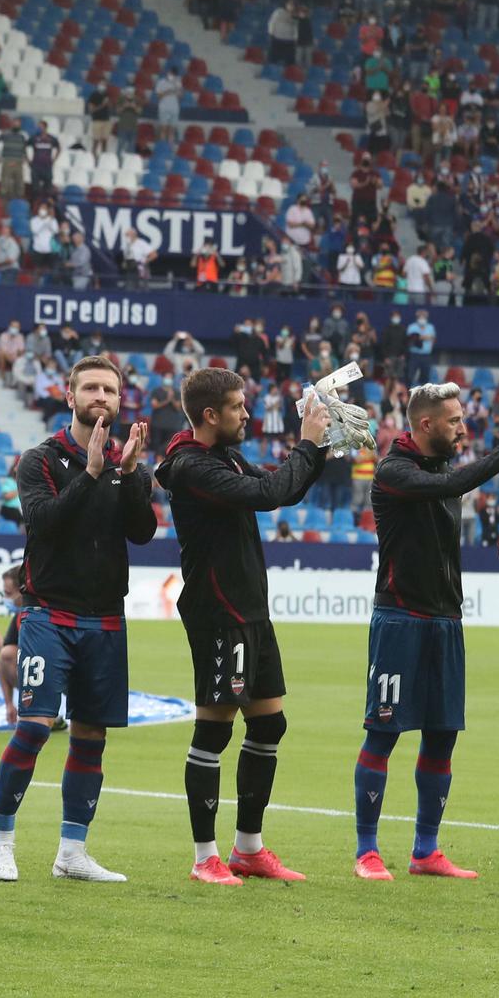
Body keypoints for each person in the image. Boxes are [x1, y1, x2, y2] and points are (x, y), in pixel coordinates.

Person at [357, 383, 499, 881]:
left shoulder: (441, 467)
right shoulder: (394, 471)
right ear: (425, 425)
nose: (463, 428)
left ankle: (426, 851)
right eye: (453, 421)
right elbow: (452, 487)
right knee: (383, 734)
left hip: (446, 622)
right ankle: (367, 852)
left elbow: (452, 481)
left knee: (442, 736)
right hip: (400, 619)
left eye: (462, 419)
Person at [154, 366, 330, 885]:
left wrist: (320, 449)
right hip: (219, 613)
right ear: (211, 415)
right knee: (214, 728)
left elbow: (282, 487)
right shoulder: (190, 467)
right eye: (238, 406)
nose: (248, 414)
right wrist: (308, 445)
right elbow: (271, 493)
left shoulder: (222, 457)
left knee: (269, 723)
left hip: (250, 609)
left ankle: (248, 849)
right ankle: (205, 855)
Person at [0, 356, 154, 884]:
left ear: (120, 399)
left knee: (90, 737)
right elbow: (44, 522)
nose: (100, 395)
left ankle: (72, 852)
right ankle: (1, 840)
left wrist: (126, 475)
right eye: (91, 387)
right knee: (35, 727)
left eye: (110, 388)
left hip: (105, 617)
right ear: (70, 395)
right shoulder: (40, 460)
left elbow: (143, 531)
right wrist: (91, 471)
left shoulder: (132, 466)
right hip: (48, 614)